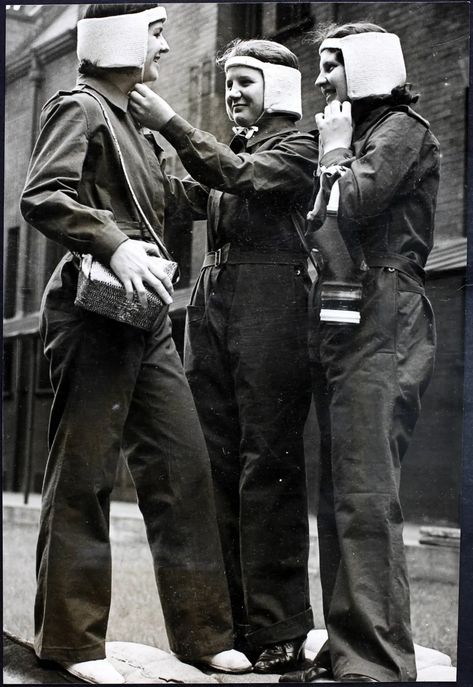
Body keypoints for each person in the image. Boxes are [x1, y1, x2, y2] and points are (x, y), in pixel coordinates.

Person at [20, 4, 252, 683]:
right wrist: (116, 244)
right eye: (156, 31)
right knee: (85, 479)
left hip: (144, 318)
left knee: (184, 470)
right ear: (117, 38)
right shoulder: (80, 106)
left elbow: (178, 197)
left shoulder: (135, 125)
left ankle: (204, 632)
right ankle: (71, 642)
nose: (166, 44)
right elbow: (43, 193)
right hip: (92, 313)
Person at [129, 38, 318, 674]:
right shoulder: (231, 153)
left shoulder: (301, 147)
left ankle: (282, 627)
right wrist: (137, 152)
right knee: (214, 463)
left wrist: (172, 125)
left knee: (269, 462)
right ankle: (234, 626)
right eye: (229, 83)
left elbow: (237, 180)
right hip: (212, 300)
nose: (233, 94)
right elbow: (190, 194)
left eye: (246, 82)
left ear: (280, 88)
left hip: (272, 297)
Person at [280, 22, 440, 683]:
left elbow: (348, 204)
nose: (318, 80)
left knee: (366, 489)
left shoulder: (400, 128)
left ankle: (374, 659)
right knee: (342, 489)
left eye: (330, 66)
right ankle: (348, 645)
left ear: (368, 69)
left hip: (386, 309)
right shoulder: (368, 137)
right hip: (350, 312)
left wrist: (334, 152)